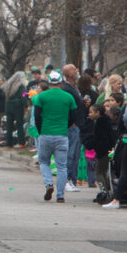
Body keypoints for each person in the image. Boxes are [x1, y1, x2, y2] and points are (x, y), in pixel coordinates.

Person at [33, 71, 76, 202]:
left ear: (49, 83)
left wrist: (40, 130)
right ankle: (60, 195)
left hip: (46, 133)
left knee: (44, 161)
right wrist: (65, 126)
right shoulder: (68, 97)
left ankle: (48, 184)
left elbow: (37, 116)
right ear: (61, 82)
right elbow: (73, 116)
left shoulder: (41, 96)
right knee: (62, 166)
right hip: (62, 135)